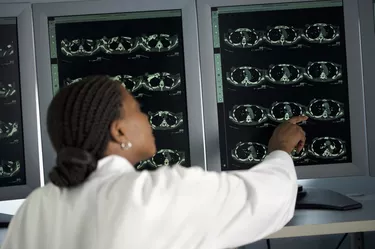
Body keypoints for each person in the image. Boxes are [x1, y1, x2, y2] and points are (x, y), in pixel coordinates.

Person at [2, 75, 307, 249]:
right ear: (119, 130)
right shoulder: (154, 194)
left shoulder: (34, 207)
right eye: (137, 108)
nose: (147, 117)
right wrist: (279, 149)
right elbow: (269, 199)